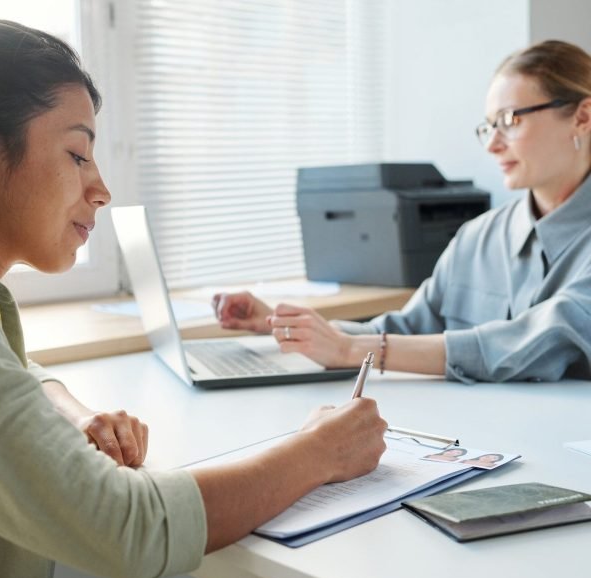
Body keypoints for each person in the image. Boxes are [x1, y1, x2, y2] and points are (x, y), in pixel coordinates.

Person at [0, 20, 387, 578]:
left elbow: (4, 371)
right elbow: (128, 529)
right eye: (78, 154)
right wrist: (320, 452)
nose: (100, 188)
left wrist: (71, 413)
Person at [213, 40, 591, 383]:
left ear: (582, 116)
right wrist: (283, 326)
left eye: (510, 120)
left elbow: (534, 342)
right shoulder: (478, 237)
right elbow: (407, 328)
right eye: (489, 126)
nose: (493, 144)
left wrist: (351, 351)